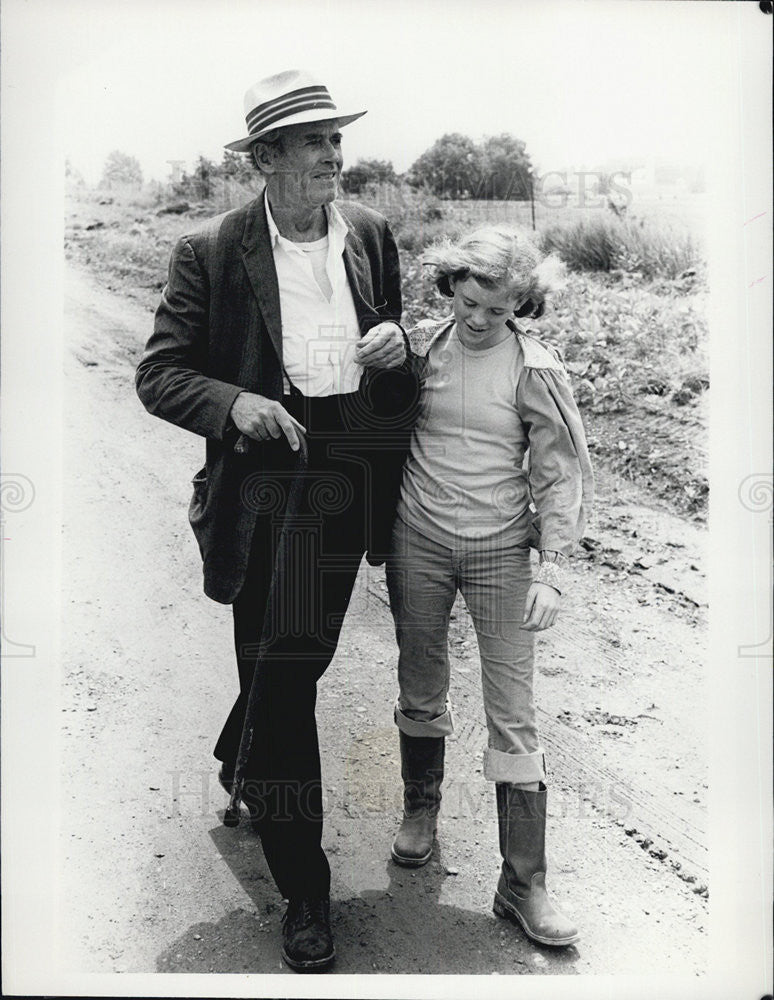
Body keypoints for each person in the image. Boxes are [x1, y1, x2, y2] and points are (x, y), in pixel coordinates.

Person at [135, 69, 415, 972]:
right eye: (312, 142)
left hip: (347, 465)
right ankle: (305, 887)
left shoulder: (370, 234)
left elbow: (397, 369)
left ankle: (240, 742)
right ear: (265, 159)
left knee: (298, 656)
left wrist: (398, 349)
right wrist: (235, 404)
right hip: (264, 474)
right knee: (290, 678)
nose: (334, 157)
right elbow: (160, 373)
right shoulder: (211, 250)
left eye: (337, 140)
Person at [385, 225, 594, 947]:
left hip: (501, 550)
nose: (478, 320)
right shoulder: (419, 350)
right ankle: (421, 809)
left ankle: (524, 882)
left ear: (519, 309)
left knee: (514, 711)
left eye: (497, 311)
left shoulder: (534, 369)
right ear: (449, 287)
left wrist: (555, 568)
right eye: (469, 301)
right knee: (421, 680)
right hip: (418, 539)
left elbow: (557, 470)